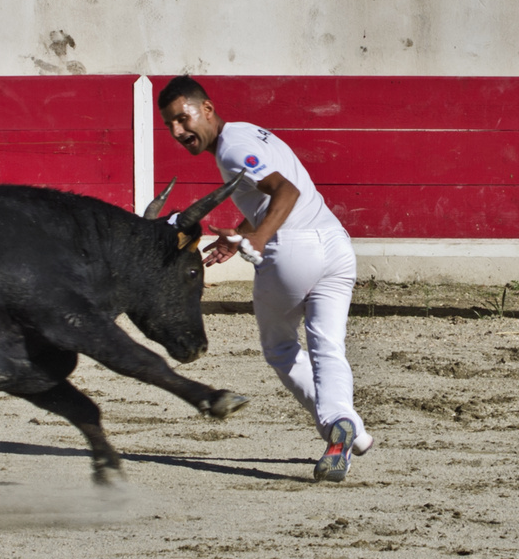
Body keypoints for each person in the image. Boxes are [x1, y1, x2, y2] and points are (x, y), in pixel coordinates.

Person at [157, 76, 373, 484]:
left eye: (182, 119)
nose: (177, 132)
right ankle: (350, 431)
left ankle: (335, 427)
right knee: (329, 346)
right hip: (335, 244)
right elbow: (270, 197)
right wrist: (241, 234)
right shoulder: (247, 133)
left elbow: (285, 192)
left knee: (281, 348)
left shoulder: (233, 149)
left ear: (206, 108)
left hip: (292, 249)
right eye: (169, 125)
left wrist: (258, 236)